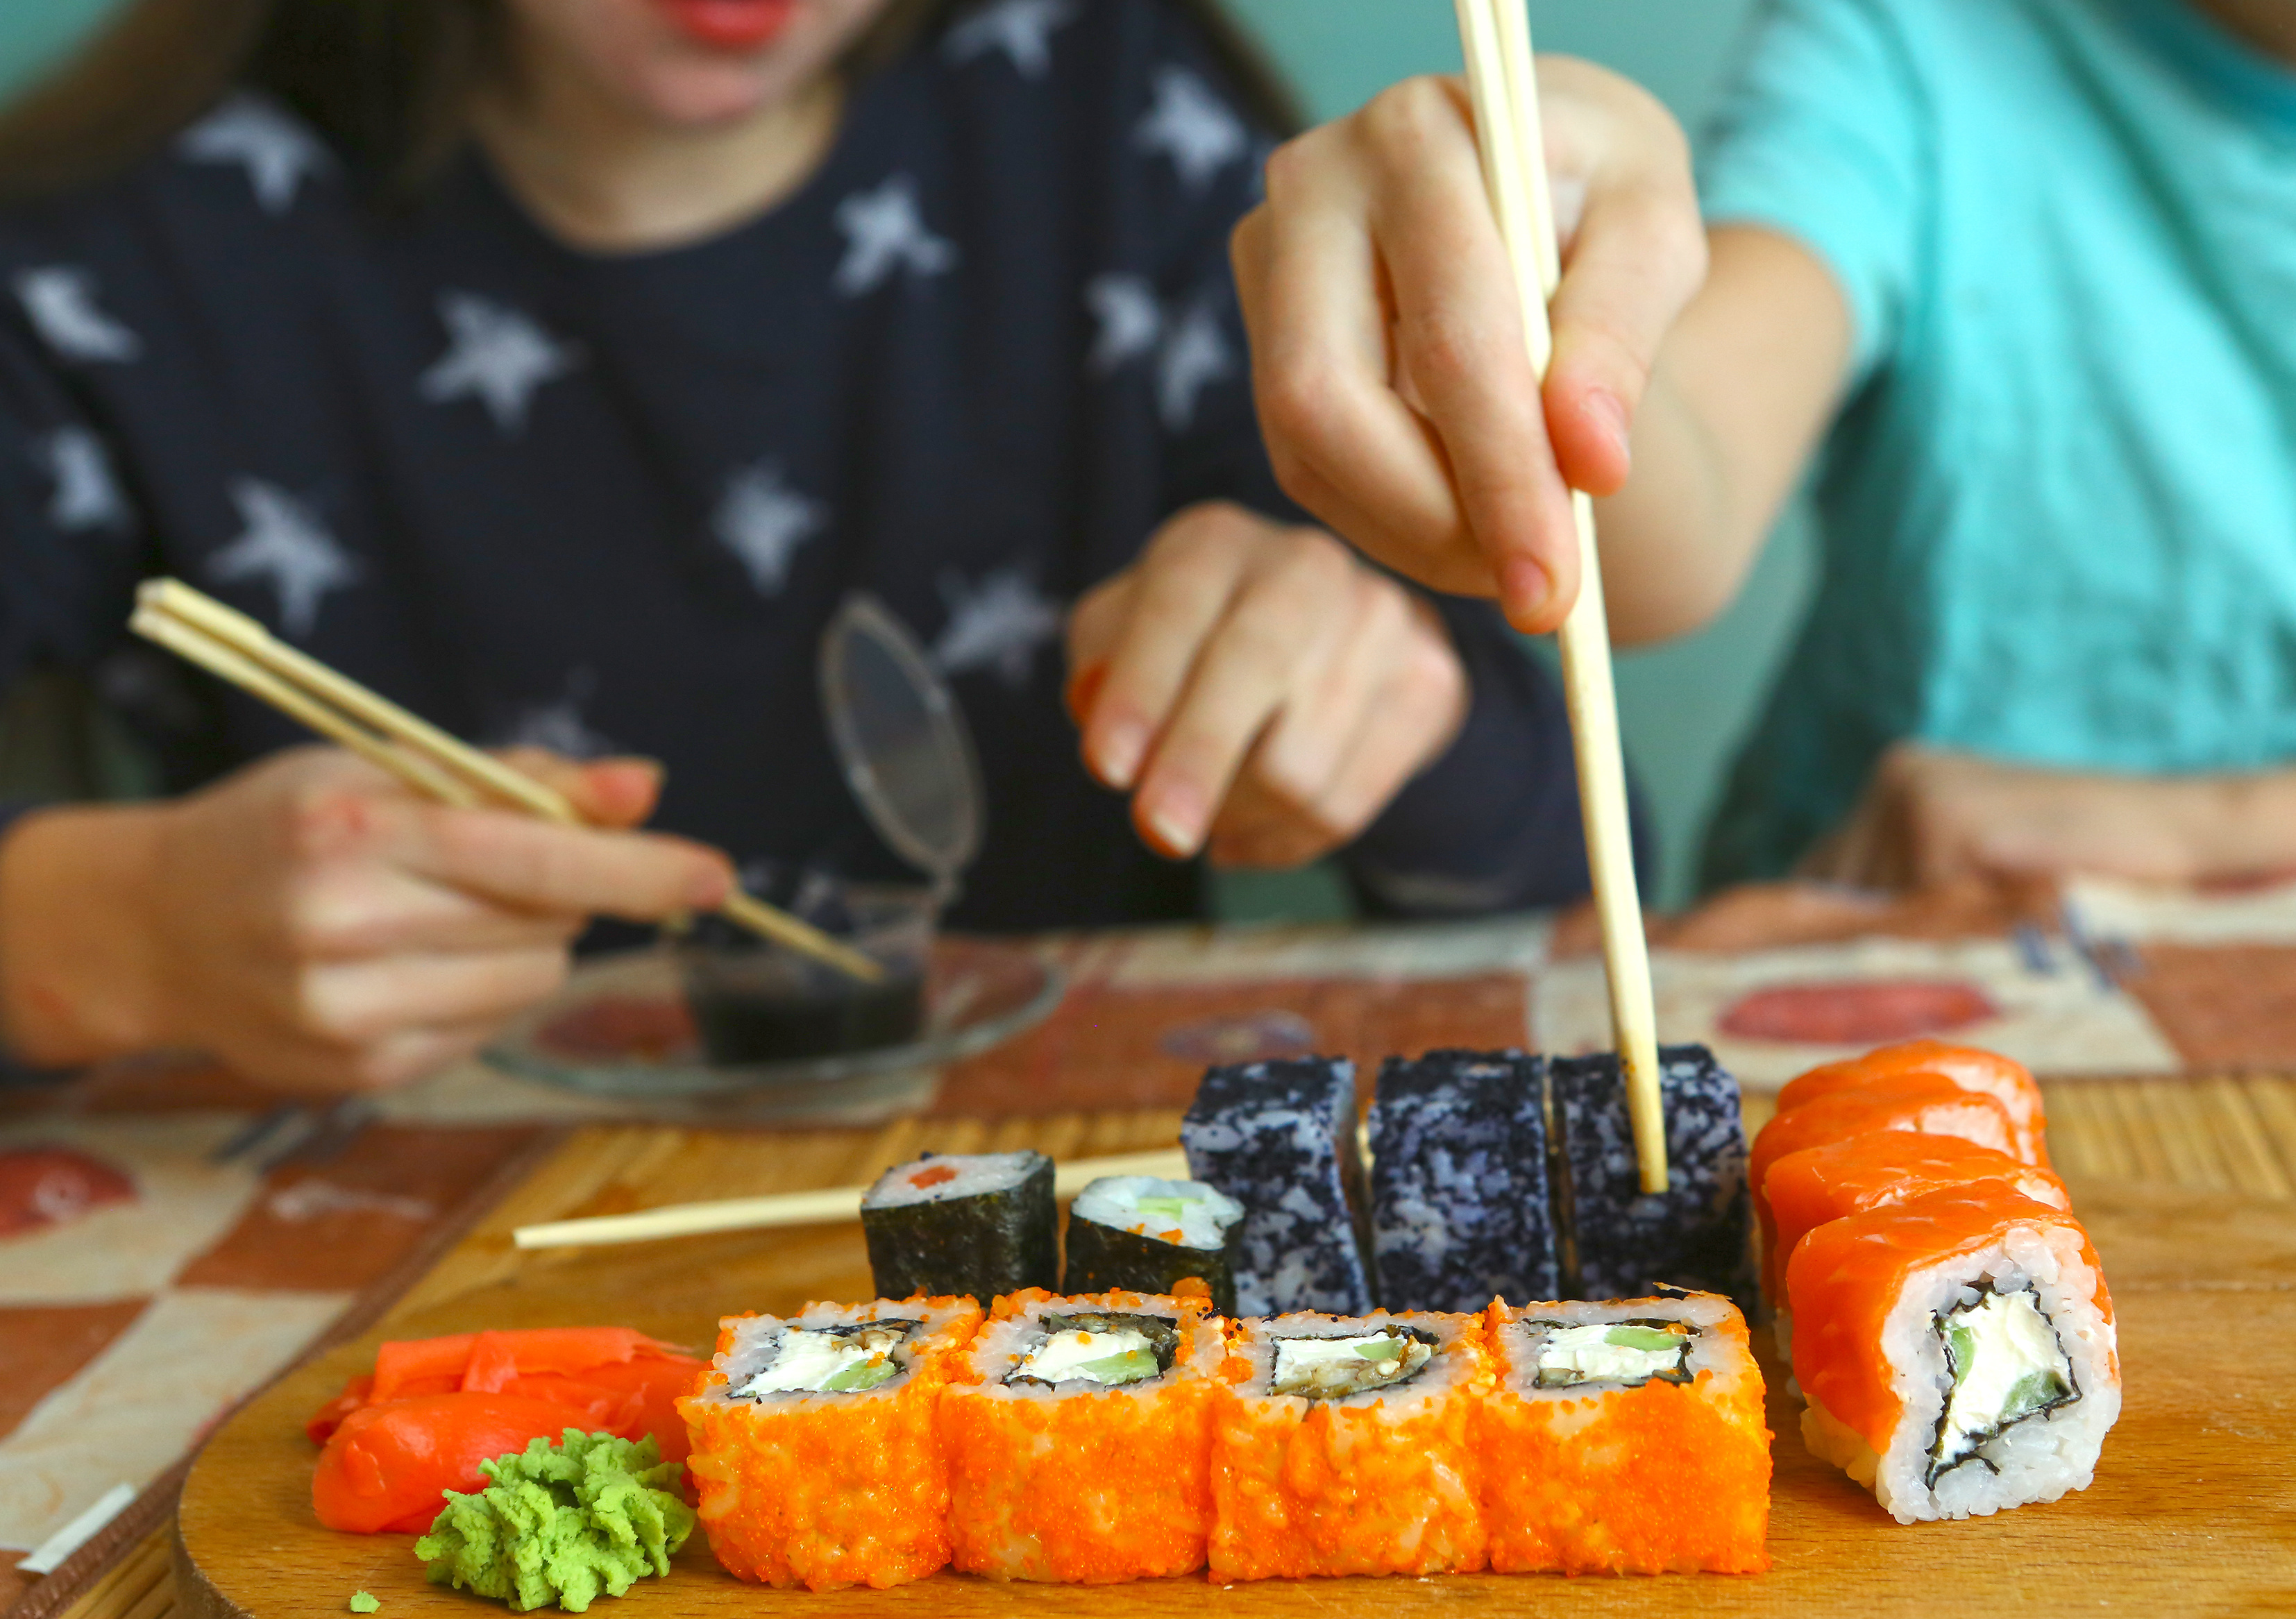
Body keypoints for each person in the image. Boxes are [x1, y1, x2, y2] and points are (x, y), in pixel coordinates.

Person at [0, 0, 1637, 1095]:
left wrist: (1391, 686)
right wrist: (101, 934)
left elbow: (1579, 907)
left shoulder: (1108, 118)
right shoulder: (109, 260)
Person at [1235, 0, 2296, 895]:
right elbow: (1669, 517)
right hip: (1855, 953)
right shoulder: (1910, 42)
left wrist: (2214, 830)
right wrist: (1541, 285)